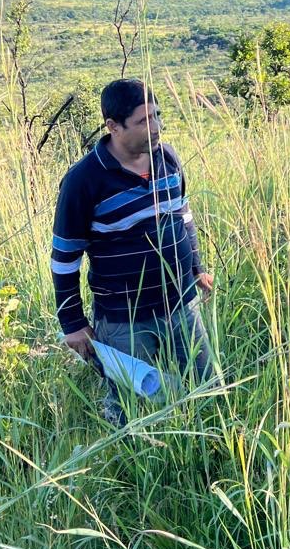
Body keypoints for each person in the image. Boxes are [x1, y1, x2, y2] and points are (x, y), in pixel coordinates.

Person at [51, 78, 214, 424]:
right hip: (124, 317)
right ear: (113, 126)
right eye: (144, 121)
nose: (156, 127)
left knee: (205, 388)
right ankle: (129, 464)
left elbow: (183, 214)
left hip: (180, 303)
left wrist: (196, 266)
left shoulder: (167, 158)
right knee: (130, 404)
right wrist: (73, 323)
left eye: (157, 116)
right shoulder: (84, 181)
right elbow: (65, 257)